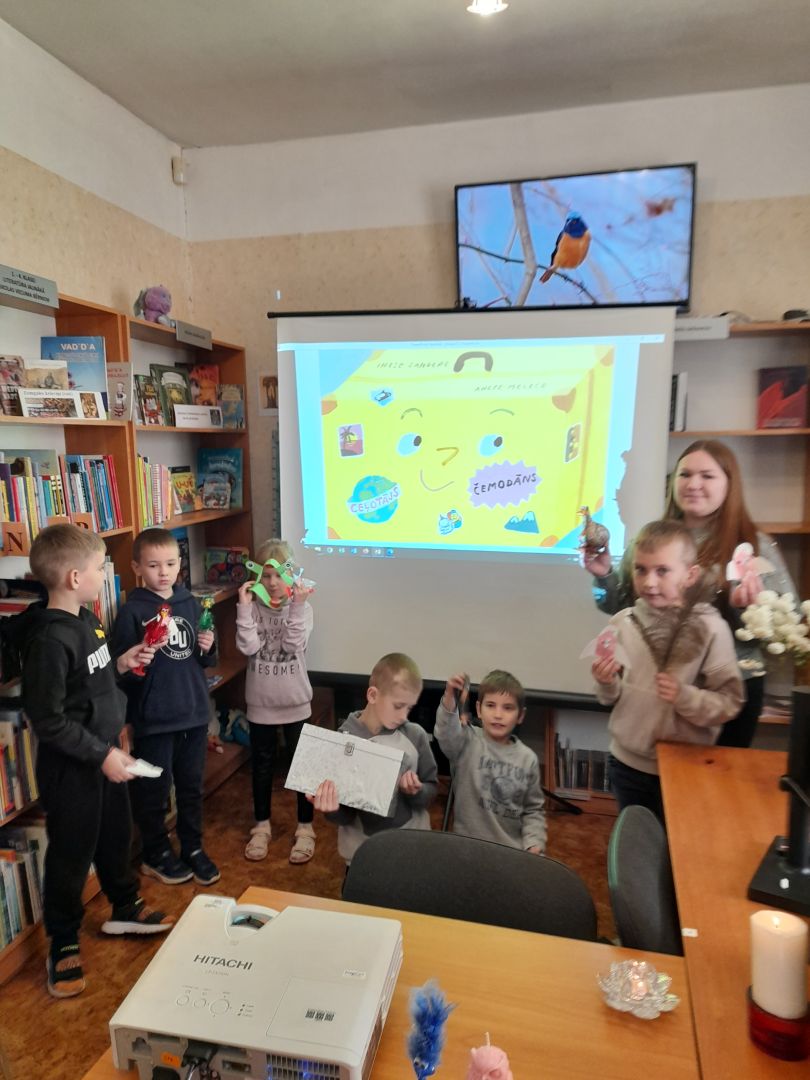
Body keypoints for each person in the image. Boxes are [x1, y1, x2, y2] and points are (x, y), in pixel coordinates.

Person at [4, 524, 173, 999]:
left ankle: (124, 905)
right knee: (72, 853)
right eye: (101, 568)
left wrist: (121, 662)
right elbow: (47, 719)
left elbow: (92, 679)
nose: (105, 575)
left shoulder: (87, 618)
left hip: (106, 754)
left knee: (115, 834)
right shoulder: (49, 642)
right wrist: (101, 755)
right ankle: (62, 940)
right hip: (74, 767)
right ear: (75, 577)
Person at [582, 439, 796, 747]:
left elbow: (784, 632)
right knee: (652, 771)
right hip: (659, 684)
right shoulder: (654, 538)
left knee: (714, 777)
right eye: (684, 474)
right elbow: (624, 608)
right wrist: (604, 575)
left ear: (729, 484)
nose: (693, 484)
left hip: (725, 691)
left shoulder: (753, 545)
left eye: (707, 476)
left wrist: (746, 611)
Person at [591, 519, 744, 818]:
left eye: (662, 571)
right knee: (636, 839)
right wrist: (606, 682)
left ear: (690, 575)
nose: (649, 582)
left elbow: (729, 701)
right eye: (641, 569)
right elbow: (609, 698)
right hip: (627, 764)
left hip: (684, 764)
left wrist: (684, 696)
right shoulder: (622, 623)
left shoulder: (711, 628)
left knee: (680, 842)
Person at [110, 528, 219, 887]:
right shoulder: (133, 611)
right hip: (155, 719)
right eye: (154, 565)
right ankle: (155, 852)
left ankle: (193, 847)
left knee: (191, 788)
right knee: (154, 791)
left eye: (171, 564)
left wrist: (208, 646)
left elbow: (205, 660)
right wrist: (137, 662)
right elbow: (122, 673)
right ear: (137, 567)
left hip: (193, 713)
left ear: (180, 564)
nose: (163, 572)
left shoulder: (191, 603)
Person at [310, 653, 438, 867]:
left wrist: (416, 792)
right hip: (362, 853)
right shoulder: (342, 743)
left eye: (409, 708)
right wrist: (331, 809)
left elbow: (431, 789)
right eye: (398, 706)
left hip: (412, 846)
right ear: (373, 695)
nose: (404, 716)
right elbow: (345, 817)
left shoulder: (415, 736)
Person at [235, 539, 317, 864]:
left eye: (278, 575)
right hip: (261, 703)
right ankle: (262, 825)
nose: (272, 583)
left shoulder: (304, 609)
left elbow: (293, 645)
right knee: (262, 766)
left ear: (290, 575)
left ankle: (306, 827)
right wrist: (244, 609)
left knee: (302, 767)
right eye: (265, 576)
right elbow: (248, 647)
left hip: (296, 701)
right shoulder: (253, 608)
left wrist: (296, 606)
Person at [435, 669, 546, 853]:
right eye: (491, 705)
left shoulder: (528, 759)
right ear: (479, 709)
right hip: (466, 850)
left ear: (520, 715)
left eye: (507, 708)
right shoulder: (466, 743)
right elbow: (446, 733)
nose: (498, 714)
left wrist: (534, 842)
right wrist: (449, 698)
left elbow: (533, 810)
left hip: (510, 854)